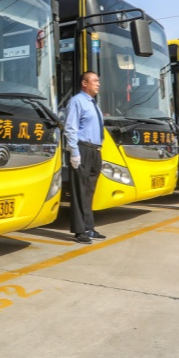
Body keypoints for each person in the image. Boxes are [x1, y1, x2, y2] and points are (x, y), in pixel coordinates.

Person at [64, 71, 105, 244]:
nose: (98, 84)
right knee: (79, 191)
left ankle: (89, 227)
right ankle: (79, 231)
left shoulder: (93, 104)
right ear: (84, 83)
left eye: (98, 81)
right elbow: (70, 128)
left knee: (89, 191)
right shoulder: (77, 101)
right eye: (94, 81)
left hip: (95, 151)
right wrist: (74, 152)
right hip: (82, 149)